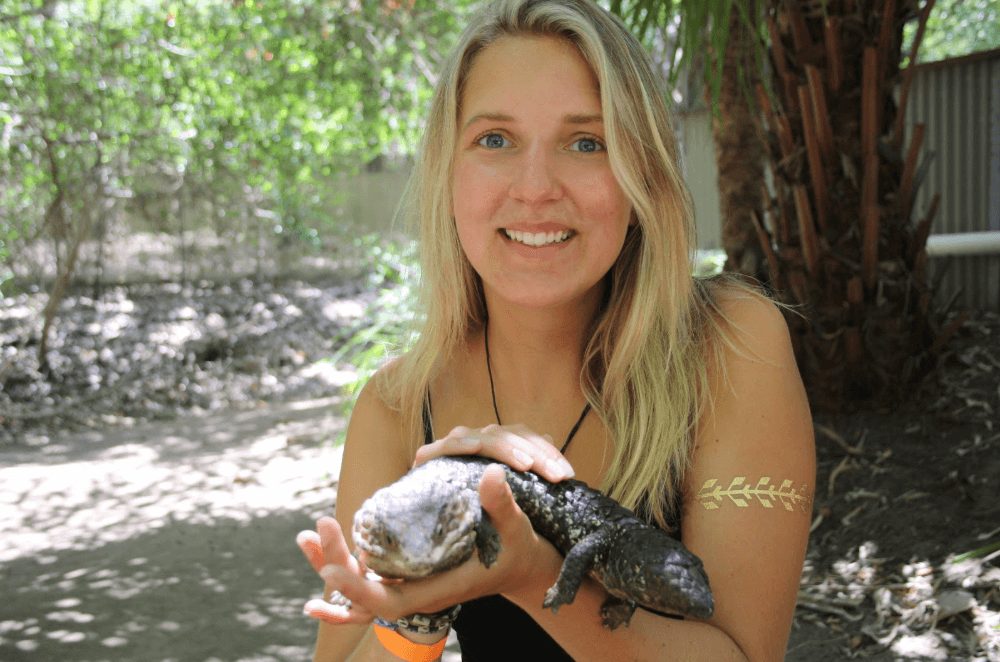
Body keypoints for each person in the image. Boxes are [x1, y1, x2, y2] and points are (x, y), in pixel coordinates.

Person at [296, 0, 815, 659]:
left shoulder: (730, 343)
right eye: (494, 140)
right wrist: (419, 602)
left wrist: (534, 574)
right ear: (446, 175)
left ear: (643, 180)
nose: (535, 188)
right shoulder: (397, 407)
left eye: (586, 142)